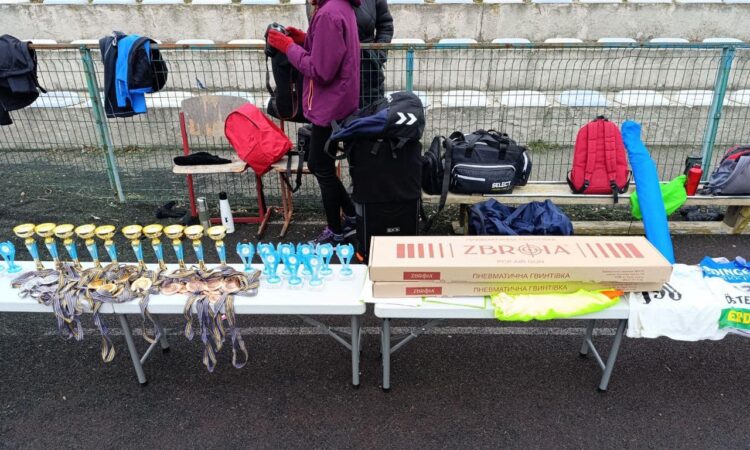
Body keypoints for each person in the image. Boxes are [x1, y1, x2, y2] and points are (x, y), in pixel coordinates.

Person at [267, 0, 361, 245]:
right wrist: (304, 39)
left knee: (321, 167)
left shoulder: (329, 13)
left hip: (330, 105)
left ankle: (336, 232)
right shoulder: (342, 6)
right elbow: (330, 49)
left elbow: (320, 70)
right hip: (340, 101)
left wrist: (288, 47)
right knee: (323, 165)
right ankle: (351, 216)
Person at [307, 0, 393, 108]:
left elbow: (385, 25)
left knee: (371, 113)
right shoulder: (320, 5)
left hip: (369, 73)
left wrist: (378, 56)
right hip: (336, 74)